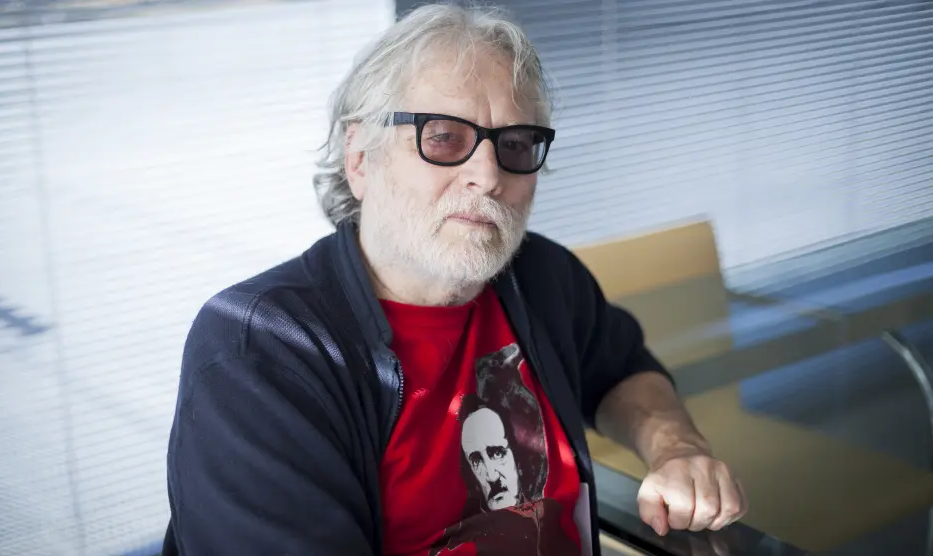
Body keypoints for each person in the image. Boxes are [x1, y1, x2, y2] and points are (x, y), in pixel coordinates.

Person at [163, 4, 747, 555]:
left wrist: (677, 450)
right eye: (443, 137)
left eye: (515, 143)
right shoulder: (261, 352)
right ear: (359, 157)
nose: (488, 175)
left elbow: (621, 372)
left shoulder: (543, 276)